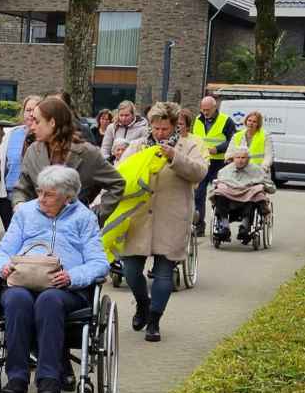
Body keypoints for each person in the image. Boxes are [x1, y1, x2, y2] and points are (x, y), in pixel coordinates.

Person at [0, 166, 110, 393]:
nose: (41, 198)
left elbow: (99, 262)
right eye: (39, 192)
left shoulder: (84, 218)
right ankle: (17, 378)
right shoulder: (25, 213)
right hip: (23, 282)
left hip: (64, 289)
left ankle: (49, 378)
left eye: (49, 194)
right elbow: (2, 250)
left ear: (68, 197)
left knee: (49, 300)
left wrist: (71, 276)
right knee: (16, 299)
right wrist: (3, 265)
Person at [114, 101, 208, 342]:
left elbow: (199, 172)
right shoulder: (137, 145)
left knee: (164, 274)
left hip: (171, 218)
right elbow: (119, 173)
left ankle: (154, 321)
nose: (160, 133)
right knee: (130, 270)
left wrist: (174, 157)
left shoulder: (188, 146)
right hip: (139, 218)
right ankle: (143, 304)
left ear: (175, 125)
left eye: (165, 128)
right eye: (156, 128)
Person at [12, 95, 124, 223]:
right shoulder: (33, 151)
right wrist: (19, 205)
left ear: (52, 122)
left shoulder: (87, 153)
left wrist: (95, 216)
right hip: (38, 227)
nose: (32, 127)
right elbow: (22, 187)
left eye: (37, 122)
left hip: (75, 230)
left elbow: (117, 183)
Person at [0, 94, 42, 230]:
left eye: (35, 110)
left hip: (34, 200)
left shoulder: (45, 136)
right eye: (28, 110)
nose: (31, 114)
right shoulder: (11, 134)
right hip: (7, 199)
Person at [211, 144, 275, 243]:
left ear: (248, 159)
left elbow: (271, 186)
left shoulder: (257, 170)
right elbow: (218, 183)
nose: (240, 160)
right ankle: (225, 227)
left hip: (247, 199)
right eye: (238, 157)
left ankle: (244, 227)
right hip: (229, 198)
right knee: (219, 192)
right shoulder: (224, 171)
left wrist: (262, 187)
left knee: (255, 194)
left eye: (243, 158)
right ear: (233, 158)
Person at [191, 93, 235, 235]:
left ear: (215, 107)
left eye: (207, 110)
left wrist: (218, 149)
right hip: (203, 161)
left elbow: (233, 141)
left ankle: (221, 224)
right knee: (198, 194)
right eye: (203, 109)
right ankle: (199, 225)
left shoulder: (226, 121)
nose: (205, 112)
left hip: (219, 163)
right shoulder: (197, 120)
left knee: (220, 194)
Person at [230, 110, 273, 174]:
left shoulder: (265, 136)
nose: (251, 123)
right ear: (246, 121)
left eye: (254, 121)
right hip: (240, 171)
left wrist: (264, 167)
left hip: (259, 171)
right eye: (249, 120)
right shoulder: (237, 135)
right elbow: (229, 153)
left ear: (258, 124)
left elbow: (269, 155)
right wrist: (230, 160)